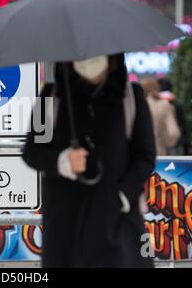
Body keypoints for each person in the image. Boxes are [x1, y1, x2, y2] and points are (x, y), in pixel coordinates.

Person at [23, 54, 156, 268]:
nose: (90, 61)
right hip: (65, 228)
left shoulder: (131, 97)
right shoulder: (49, 97)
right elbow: (32, 152)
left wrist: (121, 196)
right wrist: (63, 161)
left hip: (117, 223)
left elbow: (145, 157)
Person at [141, 78, 181, 156]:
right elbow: (174, 133)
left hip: (137, 156)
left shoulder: (137, 105)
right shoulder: (164, 104)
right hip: (159, 153)